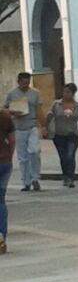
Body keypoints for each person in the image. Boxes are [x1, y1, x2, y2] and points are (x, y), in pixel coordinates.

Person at [46, 83, 78, 188]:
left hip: (72, 135)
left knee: (70, 155)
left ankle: (71, 177)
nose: (66, 94)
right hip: (59, 135)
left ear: (73, 93)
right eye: (64, 92)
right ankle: (65, 177)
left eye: (68, 92)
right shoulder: (56, 104)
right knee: (63, 157)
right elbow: (49, 116)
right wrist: (47, 128)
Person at [4, 72, 43, 192]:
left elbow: (39, 109)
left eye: (27, 83)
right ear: (19, 82)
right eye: (23, 83)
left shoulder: (35, 93)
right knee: (23, 157)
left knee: (34, 151)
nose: (26, 85)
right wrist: (13, 112)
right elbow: (5, 108)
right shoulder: (12, 94)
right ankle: (26, 181)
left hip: (32, 125)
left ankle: (35, 178)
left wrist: (43, 126)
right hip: (18, 127)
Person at [0, 108, 15, 254]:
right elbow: (12, 140)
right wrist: (9, 157)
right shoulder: (5, 116)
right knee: (1, 201)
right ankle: (2, 237)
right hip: (4, 163)